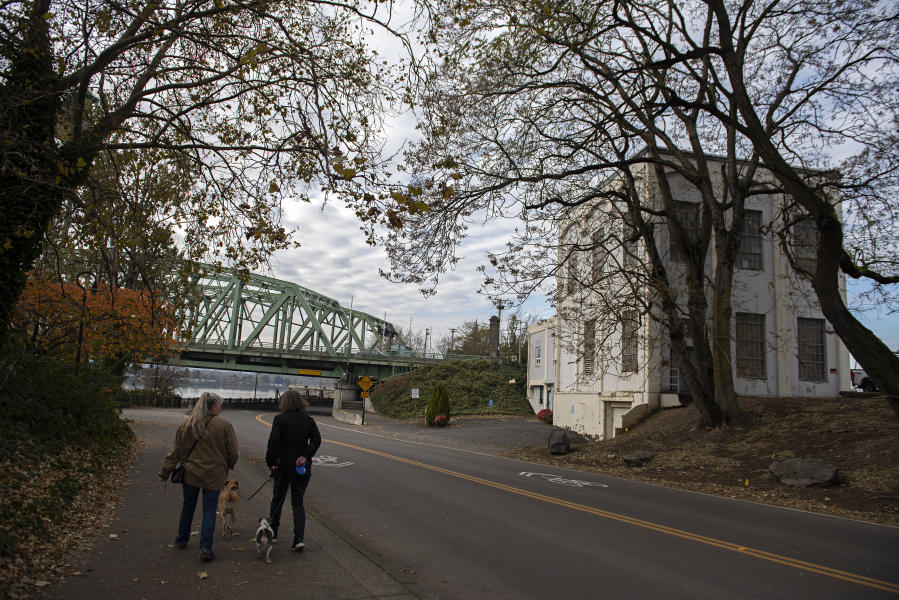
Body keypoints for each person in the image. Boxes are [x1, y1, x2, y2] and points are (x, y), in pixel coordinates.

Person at [159, 392, 238, 561]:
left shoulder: (188, 424)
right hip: (214, 474)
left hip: (191, 473)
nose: (221, 409)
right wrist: (228, 465)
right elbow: (232, 452)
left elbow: (175, 451)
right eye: (219, 406)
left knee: (188, 506)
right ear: (212, 407)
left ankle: (182, 539)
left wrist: (165, 472)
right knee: (209, 510)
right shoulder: (224, 425)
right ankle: (205, 548)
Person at [266, 389, 321, 550]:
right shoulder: (308, 420)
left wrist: (272, 462)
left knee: (278, 498)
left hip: (283, 466)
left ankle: (273, 533)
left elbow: (273, 442)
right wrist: (305, 455)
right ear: (300, 402)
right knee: (297, 501)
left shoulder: (279, 419)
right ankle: (298, 538)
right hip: (301, 467)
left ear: (284, 403)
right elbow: (316, 440)